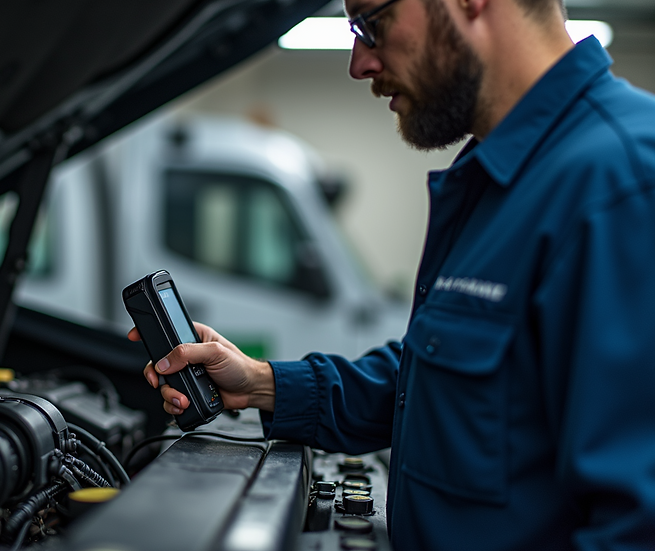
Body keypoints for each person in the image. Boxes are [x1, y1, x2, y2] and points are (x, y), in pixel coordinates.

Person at [129, 0, 655, 548]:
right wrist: (261, 383)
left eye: (370, 25)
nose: (359, 63)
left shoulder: (625, 187)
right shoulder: (497, 180)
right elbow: (435, 382)